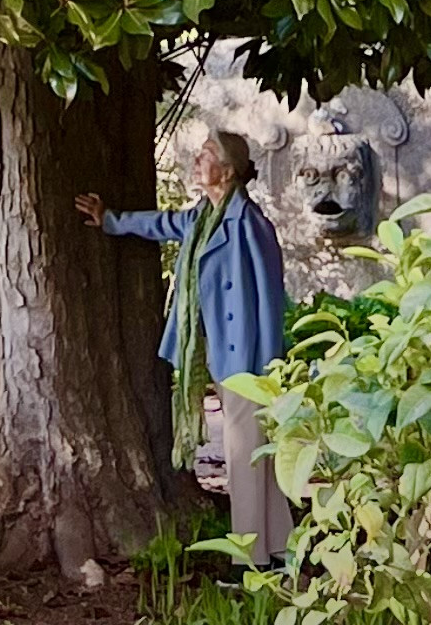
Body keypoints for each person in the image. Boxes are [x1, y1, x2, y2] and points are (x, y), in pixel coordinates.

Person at [78, 126, 293, 566]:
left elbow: (271, 301)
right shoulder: (201, 220)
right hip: (221, 356)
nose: (198, 160)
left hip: (247, 361)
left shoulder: (251, 226)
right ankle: (279, 548)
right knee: (255, 457)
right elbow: (161, 224)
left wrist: (269, 367)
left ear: (228, 171)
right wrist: (111, 219)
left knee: (244, 460)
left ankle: (249, 560)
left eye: (207, 154)